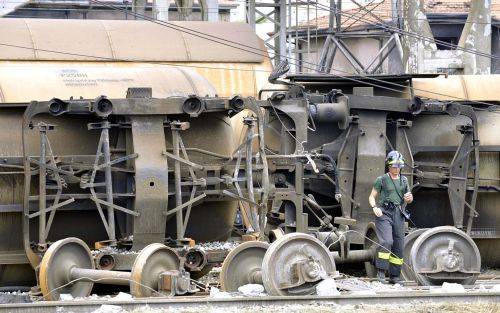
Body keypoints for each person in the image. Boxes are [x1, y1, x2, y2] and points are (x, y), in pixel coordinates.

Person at [368, 151, 413, 284]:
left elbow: (408, 197)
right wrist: (374, 207)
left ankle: (395, 276)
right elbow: (372, 196)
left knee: (399, 244)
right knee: (387, 241)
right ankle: (381, 271)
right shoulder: (381, 180)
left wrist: (409, 199)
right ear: (388, 166)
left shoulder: (404, 180)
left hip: (398, 213)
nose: (396, 169)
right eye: (394, 166)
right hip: (384, 213)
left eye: (399, 166)